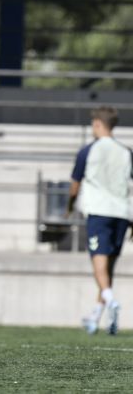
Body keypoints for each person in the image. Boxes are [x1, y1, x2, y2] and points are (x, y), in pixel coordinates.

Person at [68, 106, 133, 335]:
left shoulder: (89, 150)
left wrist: (70, 204)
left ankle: (111, 301)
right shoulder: (126, 152)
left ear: (97, 124)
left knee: (98, 263)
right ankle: (96, 315)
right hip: (122, 213)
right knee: (109, 267)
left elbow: (76, 182)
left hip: (99, 211)